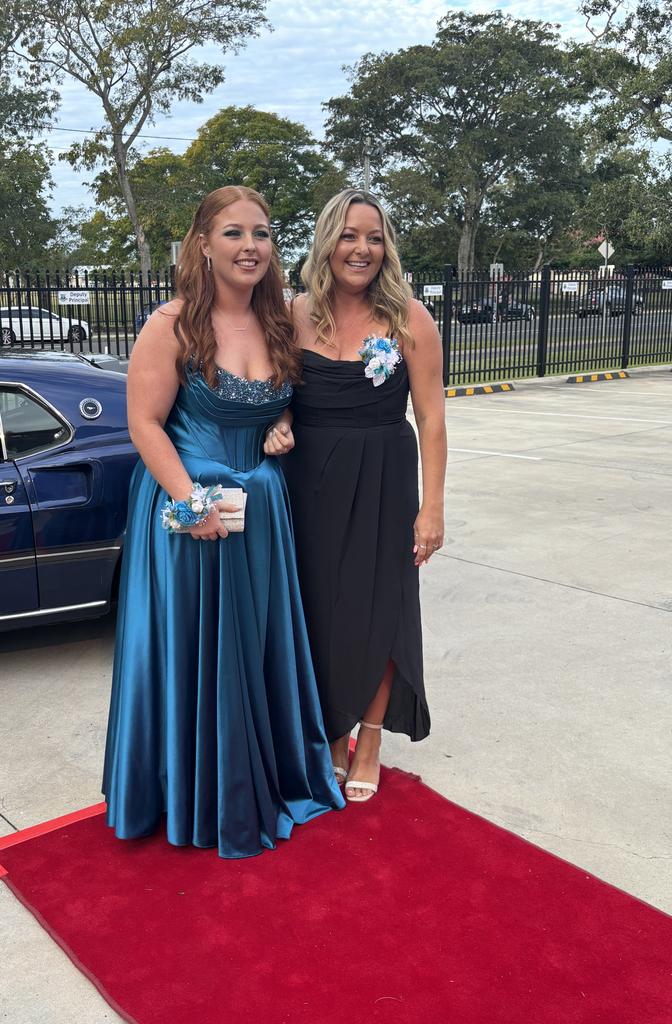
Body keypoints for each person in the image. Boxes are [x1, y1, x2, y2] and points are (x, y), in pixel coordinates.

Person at [102, 186, 344, 859]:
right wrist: (190, 502)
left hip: (260, 510)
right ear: (203, 244)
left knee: (253, 647)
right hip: (187, 510)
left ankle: (251, 781)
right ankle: (189, 796)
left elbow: (282, 400)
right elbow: (144, 424)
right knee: (191, 649)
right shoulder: (170, 324)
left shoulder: (279, 324)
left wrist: (283, 423)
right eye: (234, 234)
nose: (250, 247)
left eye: (262, 234)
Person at [271, 188, 447, 803]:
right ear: (327, 242)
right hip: (310, 480)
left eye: (373, 237)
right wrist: (280, 420)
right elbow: (274, 394)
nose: (362, 248)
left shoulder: (410, 318)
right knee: (318, 609)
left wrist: (432, 507)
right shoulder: (293, 314)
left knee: (382, 609)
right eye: (349, 235)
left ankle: (369, 738)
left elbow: (431, 419)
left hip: (383, 477)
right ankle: (328, 733)